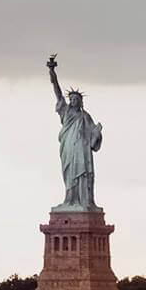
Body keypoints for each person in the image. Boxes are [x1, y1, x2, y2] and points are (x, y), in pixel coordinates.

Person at [47, 54, 103, 210]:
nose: (73, 101)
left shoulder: (86, 116)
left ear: (80, 102)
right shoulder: (65, 111)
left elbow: (93, 136)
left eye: (76, 99)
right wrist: (52, 72)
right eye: (71, 99)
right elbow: (57, 92)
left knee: (83, 174)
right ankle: (70, 200)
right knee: (70, 174)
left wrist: (97, 132)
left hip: (82, 150)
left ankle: (84, 201)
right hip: (68, 148)